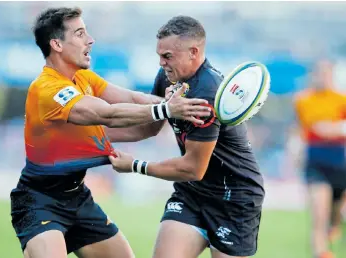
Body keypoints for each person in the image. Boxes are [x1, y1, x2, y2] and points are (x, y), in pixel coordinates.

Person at [10, 7, 212, 258]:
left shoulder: (83, 77)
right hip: (39, 201)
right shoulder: (46, 88)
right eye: (80, 33)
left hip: (77, 198)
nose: (90, 40)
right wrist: (166, 109)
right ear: (57, 44)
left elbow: (132, 98)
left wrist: (172, 100)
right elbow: (107, 113)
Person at [107, 15, 265, 258]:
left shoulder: (208, 92)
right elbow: (148, 127)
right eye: (159, 55)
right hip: (192, 194)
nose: (161, 63)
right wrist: (97, 136)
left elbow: (193, 168)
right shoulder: (168, 77)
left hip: (234, 199)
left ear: (193, 52)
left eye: (167, 56)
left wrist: (135, 166)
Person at [293, 60, 346, 258]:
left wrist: (333, 129)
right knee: (319, 213)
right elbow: (300, 129)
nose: (321, 77)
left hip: (340, 162)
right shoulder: (303, 100)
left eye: (326, 73)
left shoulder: (342, 99)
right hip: (315, 162)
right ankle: (321, 252)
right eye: (318, 73)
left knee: (335, 212)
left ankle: (335, 224)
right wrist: (295, 152)